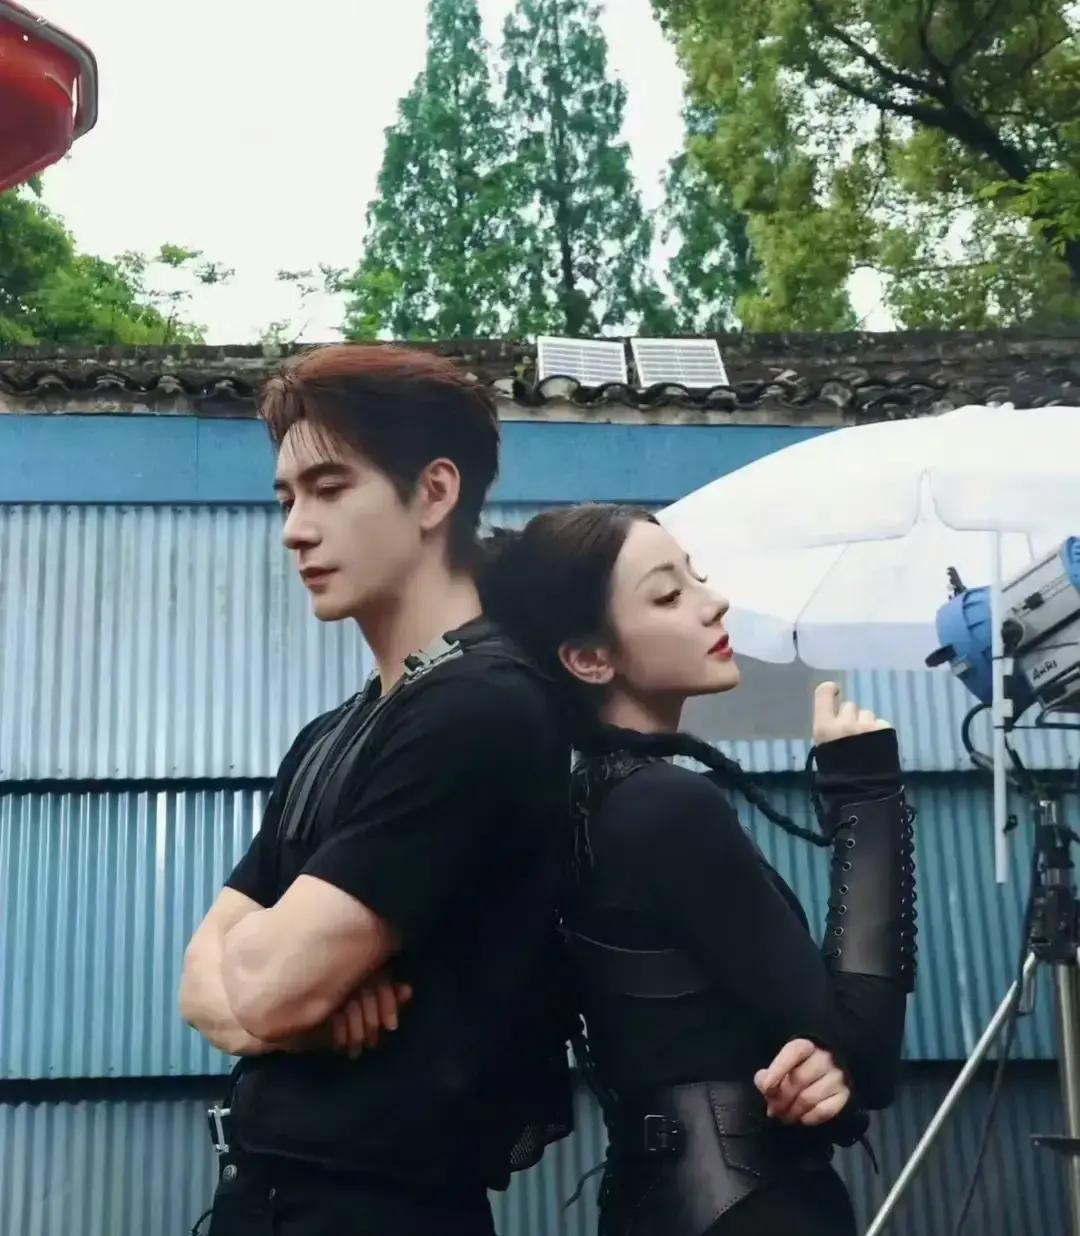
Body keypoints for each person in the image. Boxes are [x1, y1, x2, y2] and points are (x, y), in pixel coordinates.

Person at [178, 344, 573, 1236]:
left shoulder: (478, 706)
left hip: (383, 1207)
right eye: (287, 499)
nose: (295, 529)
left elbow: (263, 982)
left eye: (329, 488)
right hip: (266, 1199)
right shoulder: (333, 731)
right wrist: (308, 1014)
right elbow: (201, 983)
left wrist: (282, 985)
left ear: (433, 493)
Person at [479, 504, 918, 1236]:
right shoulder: (662, 806)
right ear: (590, 658)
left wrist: (821, 1067)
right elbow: (867, 1049)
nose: (713, 602)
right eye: (667, 594)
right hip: (752, 1207)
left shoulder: (587, 802)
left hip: (654, 1201)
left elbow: (789, 1044)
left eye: (698, 576)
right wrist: (866, 794)